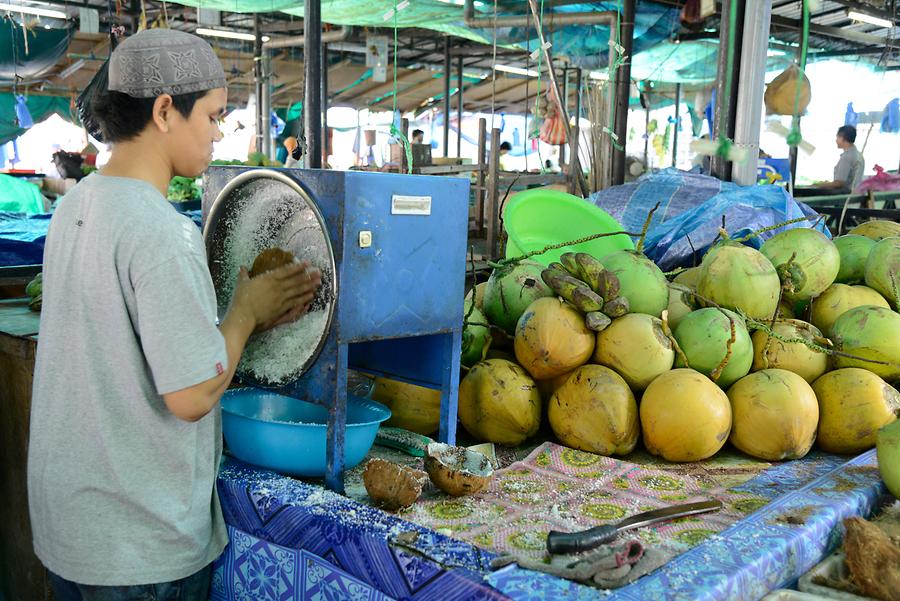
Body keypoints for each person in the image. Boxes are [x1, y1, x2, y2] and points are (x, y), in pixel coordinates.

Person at [27, 29, 322, 600]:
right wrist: (244, 312)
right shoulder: (163, 231)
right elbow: (191, 397)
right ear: (165, 111)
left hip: (74, 526)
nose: (217, 132)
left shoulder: (77, 206)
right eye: (211, 116)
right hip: (140, 547)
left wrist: (247, 318)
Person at [815, 125, 865, 193]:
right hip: (856, 196)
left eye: (837, 137)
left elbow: (839, 183)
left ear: (842, 138)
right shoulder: (858, 155)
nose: (836, 140)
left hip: (846, 198)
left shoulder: (847, 157)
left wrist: (819, 185)